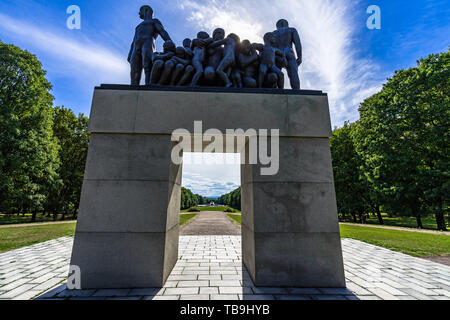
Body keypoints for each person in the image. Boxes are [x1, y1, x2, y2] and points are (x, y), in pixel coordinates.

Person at [128, 5, 171, 85]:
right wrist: (130, 53)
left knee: (147, 64)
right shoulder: (138, 26)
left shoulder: (154, 21)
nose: (139, 13)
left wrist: (169, 41)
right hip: (136, 46)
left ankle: (148, 84)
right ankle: (134, 86)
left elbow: (162, 32)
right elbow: (133, 41)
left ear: (146, 10)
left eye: (140, 11)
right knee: (134, 67)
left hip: (148, 42)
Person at [272, 19, 302, 89]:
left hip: (277, 54)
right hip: (289, 52)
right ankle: (297, 93)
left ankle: (276, 92)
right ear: (286, 24)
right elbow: (297, 43)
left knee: (276, 74)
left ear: (277, 25)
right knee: (293, 74)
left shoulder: (273, 33)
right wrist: (299, 56)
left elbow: (270, 47)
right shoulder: (291, 30)